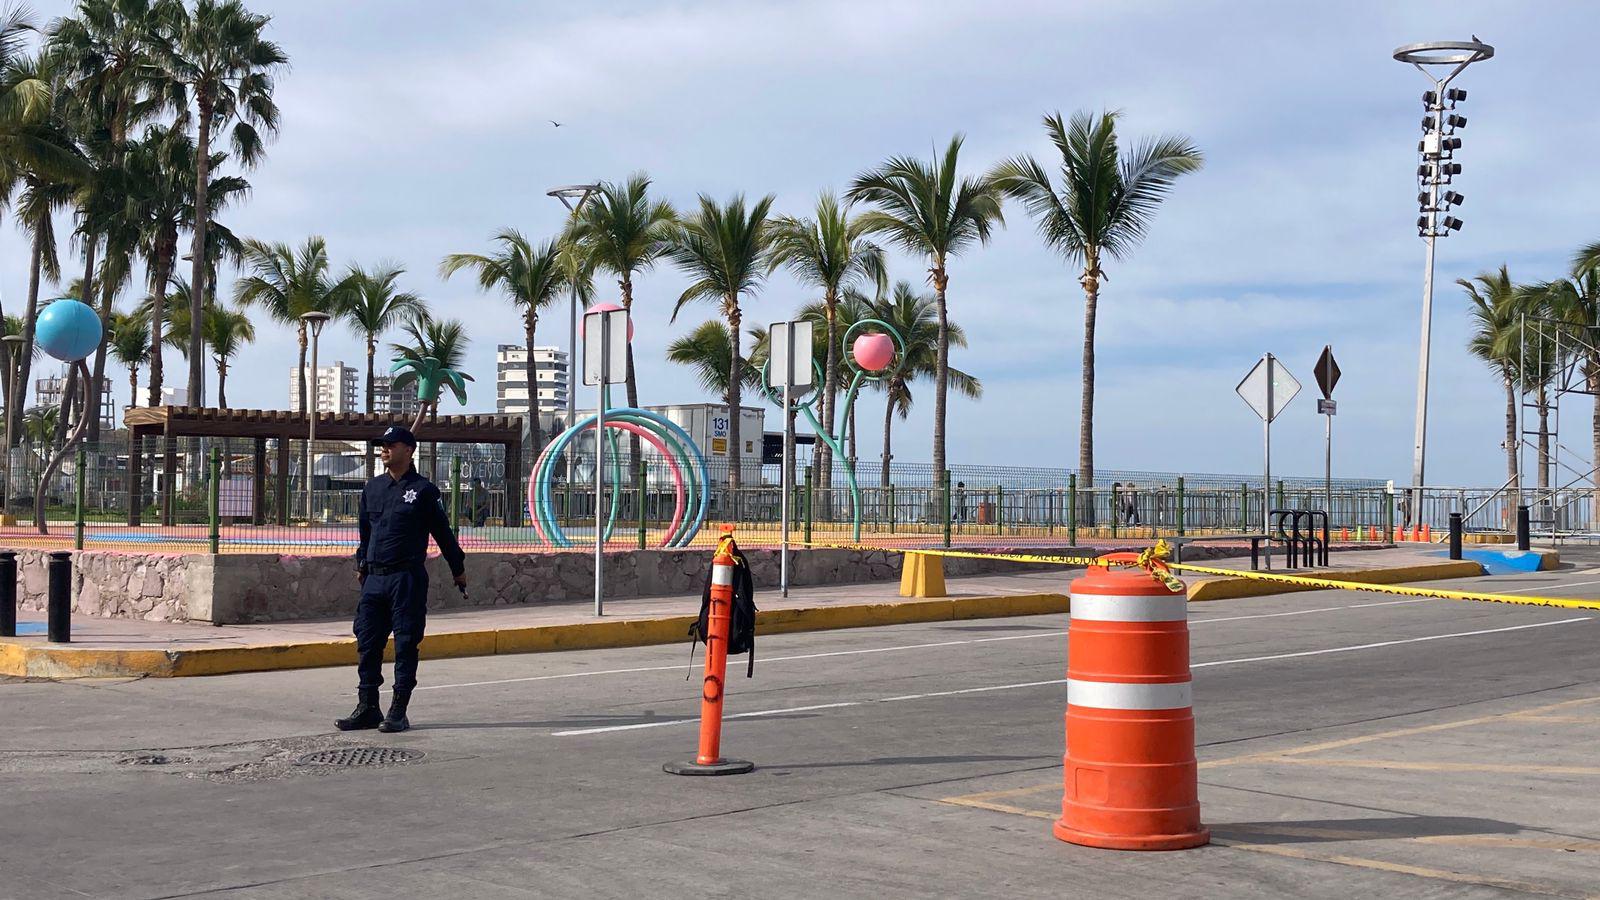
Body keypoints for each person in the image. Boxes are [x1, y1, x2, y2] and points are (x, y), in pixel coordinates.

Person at [338, 426, 467, 734]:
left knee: (406, 644)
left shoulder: (423, 491)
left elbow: (443, 533)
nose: (383, 450)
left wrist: (457, 568)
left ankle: (398, 711)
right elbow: (365, 533)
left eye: (390, 445)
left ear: (408, 450)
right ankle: (368, 706)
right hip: (375, 579)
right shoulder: (372, 488)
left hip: (406, 578)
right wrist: (362, 564)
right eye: (381, 446)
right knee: (367, 644)